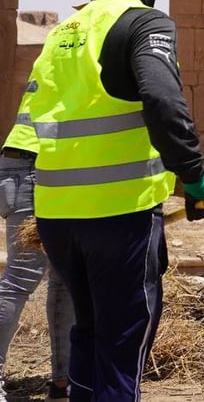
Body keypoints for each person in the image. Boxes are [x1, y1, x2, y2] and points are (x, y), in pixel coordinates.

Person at [25, 0, 204, 401]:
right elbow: (162, 99)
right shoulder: (145, 23)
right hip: (118, 215)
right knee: (122, 343)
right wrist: (193, 177)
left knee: (88, 331)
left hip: (55, 215)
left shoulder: (60, 35)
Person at [0, 92, 74, 401]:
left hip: (40, 162)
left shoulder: (61, 49)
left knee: (65, 279)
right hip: (40, 164)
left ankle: (64, 380)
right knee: (22, 276)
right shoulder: (92, 51)